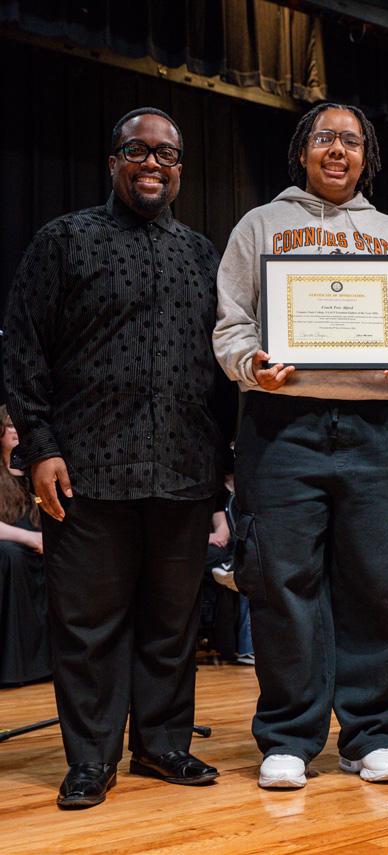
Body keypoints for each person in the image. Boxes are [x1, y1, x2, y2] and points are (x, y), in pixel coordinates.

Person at [3, 107, 225, 808]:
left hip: (183, 470)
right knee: (87, 626)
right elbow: (23, 351)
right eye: (137, 150)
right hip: (86, 471)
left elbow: (221, 365)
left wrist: (222, 469)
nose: (152, 162)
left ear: (180, 170)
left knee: (172, 622)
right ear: (112, 162)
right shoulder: (62, 240)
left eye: (167, 154)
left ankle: (162, 744)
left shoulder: (203, 255)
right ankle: (91, 759)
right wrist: (40, 446)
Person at [214, 102, 388, 788]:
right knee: (282, 583)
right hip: (282, 426)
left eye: (350, 141)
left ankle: (369, 734)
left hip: (376, 427)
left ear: (366, 156)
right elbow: (232, 323)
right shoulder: (260, 225)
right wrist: (252, 364)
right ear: (302, 150)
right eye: (324, 138)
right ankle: (288, 737)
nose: (337, 150)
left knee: (379, 581)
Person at [0, 405, 50, 685]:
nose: (16, 431)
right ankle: (14, 667)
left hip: (40, 544)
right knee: (12, 557)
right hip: (10, 544)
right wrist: (30, 538)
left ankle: (50, 664)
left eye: (19, 425)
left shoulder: (37, 473)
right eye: (10, 425)